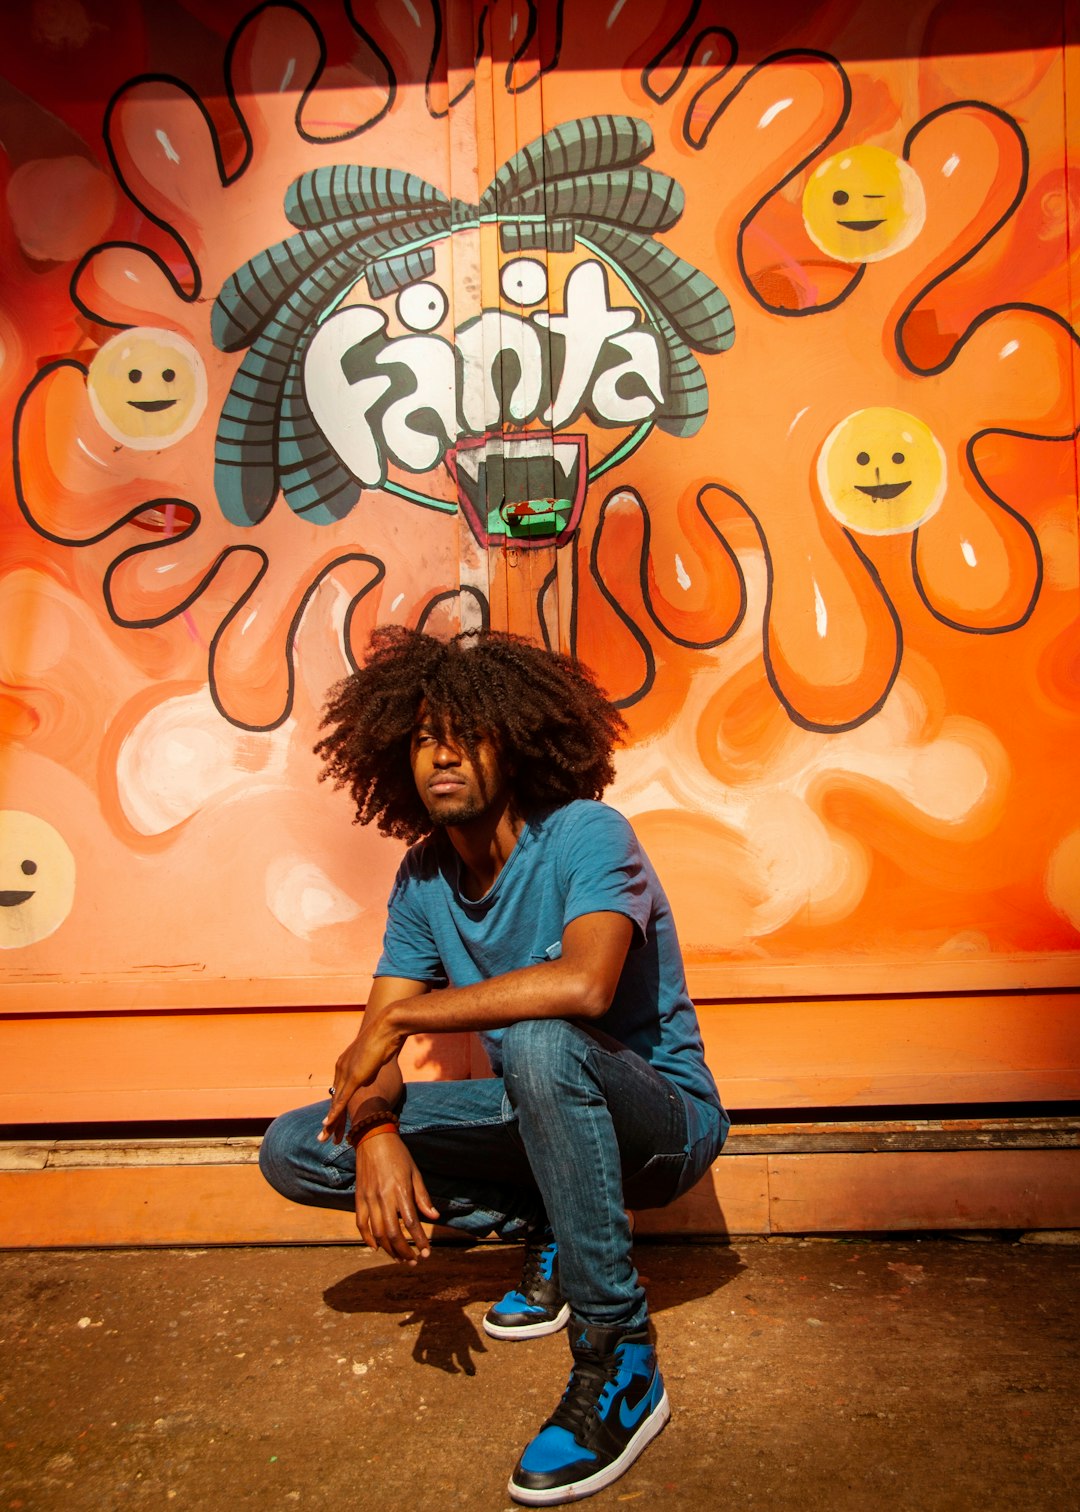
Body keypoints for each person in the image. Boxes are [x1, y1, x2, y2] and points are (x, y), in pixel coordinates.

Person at [259, 626, 728, 1505]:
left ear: (513, 745)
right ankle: (553, 1225)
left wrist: (402, 1016)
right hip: (542, 1113)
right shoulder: (422, 879)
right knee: (294, 1146)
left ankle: (619, 1357)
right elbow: (369, 1058)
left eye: (467, 733)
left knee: (546, 1036)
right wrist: (375, 1130)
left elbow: (585, 986)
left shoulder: (589, 835)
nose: (442, 753)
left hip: (660, 1124)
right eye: (423, 735)